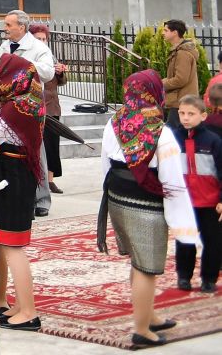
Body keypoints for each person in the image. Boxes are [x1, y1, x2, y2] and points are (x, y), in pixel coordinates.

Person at [99, 70, 199, 348]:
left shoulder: (114, 121)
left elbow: (105, 163)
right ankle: (142, 330)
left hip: (117, 194)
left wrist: (108, 196)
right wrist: (182, 220)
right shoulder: (160, 131)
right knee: (147, 266)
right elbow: (171, 179)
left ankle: (149, 315)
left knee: (138, 259)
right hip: (146, 201)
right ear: (155, 93)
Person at [0, 52, 45, 331]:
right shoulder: (27, 101)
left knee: (13, 247)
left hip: (14, 178)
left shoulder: (17, 107)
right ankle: (18, 306)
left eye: (0, 72)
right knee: (8, 244)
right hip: (19, 176)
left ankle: (28, 312)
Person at [172, 94, 222, 292]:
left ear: (203, 116)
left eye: (191, 114)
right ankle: (184, 276)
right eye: (182, 113)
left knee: (213, 242)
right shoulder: (173, 139)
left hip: (210, 202)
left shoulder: (213, 141)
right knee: (184, 240)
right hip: (184, 201)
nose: (185, 118)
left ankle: (209, 279)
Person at [29, 21, 68, 216]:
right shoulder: (30, 57)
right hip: (36, 108)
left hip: (52, 107)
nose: (42, 42)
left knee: (52, 147)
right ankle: (40, 187)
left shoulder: (50, 57)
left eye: (44, 39)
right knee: (39, 148)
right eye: (38, 38)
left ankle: (50, 180)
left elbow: (61, 82)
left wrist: (61, 72)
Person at [160, 19, 200, 133]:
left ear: (175, 33)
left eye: (166, 30)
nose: (163, 33)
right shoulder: (179, 51)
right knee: (177, 134)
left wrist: (162, 84)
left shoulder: (182, 53)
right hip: (180, 100)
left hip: (181, 101)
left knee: (171, 134)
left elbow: (180, 79)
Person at [0, 10, 55, 82]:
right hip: (4, 88)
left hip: (28, 89)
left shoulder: (40, 47)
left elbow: (48, 74)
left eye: (8, 25)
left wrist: (25, 63)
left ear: (21, 28)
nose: (5, 28)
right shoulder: (4, 45)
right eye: (5, 25)